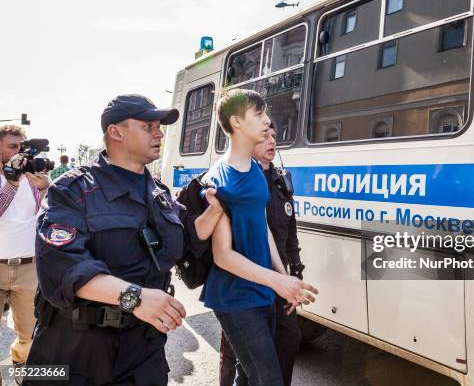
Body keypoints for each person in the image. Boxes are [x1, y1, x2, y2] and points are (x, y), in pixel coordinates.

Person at [24, 94, 223, 386]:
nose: (159, 133)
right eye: (148, 126)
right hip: (73, 347)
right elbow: (63, 268)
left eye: (160, 126)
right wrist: (136, 297)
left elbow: (184, 240)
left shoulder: (159, 192)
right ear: (115, 132)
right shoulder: (71, 190)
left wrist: (215, 210)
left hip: (142, 349)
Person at [204, 88, 318, 386]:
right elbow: (223, 255)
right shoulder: (219, 180)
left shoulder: (256, 170)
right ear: (236, 122)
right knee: (267, 379)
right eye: (259, 114)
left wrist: (284, 279)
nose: (267, 121)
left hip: (262, 291)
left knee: (250, 375)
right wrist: (278, 281)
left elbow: (263, 227)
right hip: (234, 297)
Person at [219, 123, 304, 386]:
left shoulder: (280, 180)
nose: (272, 141)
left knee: (288, 339)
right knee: (239, 357)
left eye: (275, 137)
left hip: (277, 280)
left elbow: (289, 229)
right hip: (245, 281)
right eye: (265, 136)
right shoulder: (238, 178)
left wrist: (294, 272)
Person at [0, 125, 49, 371]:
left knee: (31, 335)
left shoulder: (31, 178)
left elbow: (46, 217)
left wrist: (45, 189)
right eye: (13, 147)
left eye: (22, 147)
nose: (20, 153)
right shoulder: (12, 180)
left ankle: (21, 364)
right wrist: (10, 182)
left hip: (29, 268)